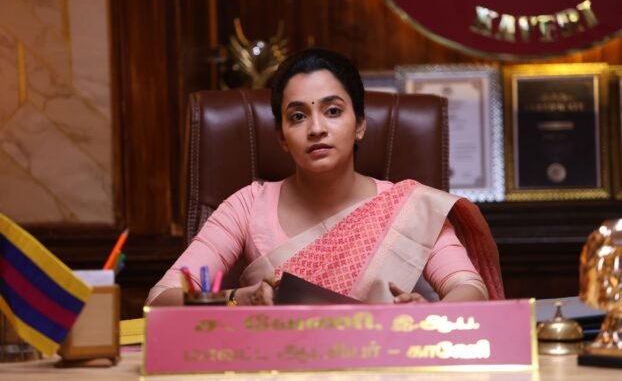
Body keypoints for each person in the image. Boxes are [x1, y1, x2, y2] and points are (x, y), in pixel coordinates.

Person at [146, 48, 503, 306]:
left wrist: (428, 316)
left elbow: (470, 288)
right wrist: (239, 298)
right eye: (298, 116)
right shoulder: (247, 206)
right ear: (281, 137)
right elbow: (162, 298)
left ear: (360, 125)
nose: (316, 128)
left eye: (333, 111)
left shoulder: (410, 206)